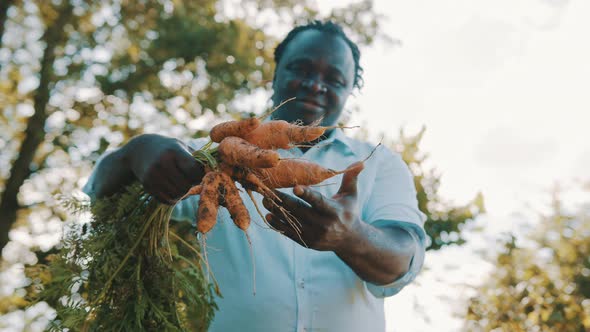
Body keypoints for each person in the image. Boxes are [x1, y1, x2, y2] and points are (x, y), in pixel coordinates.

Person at [84, 21, 426, 332]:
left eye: (334, 79)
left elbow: (403, 260)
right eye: (300, 69)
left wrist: (351, 238)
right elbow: (102, 195)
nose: (314, 85)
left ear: (351, 89)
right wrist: (134, 153)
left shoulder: (379, 162)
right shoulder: (214, 157)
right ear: (274, 75)